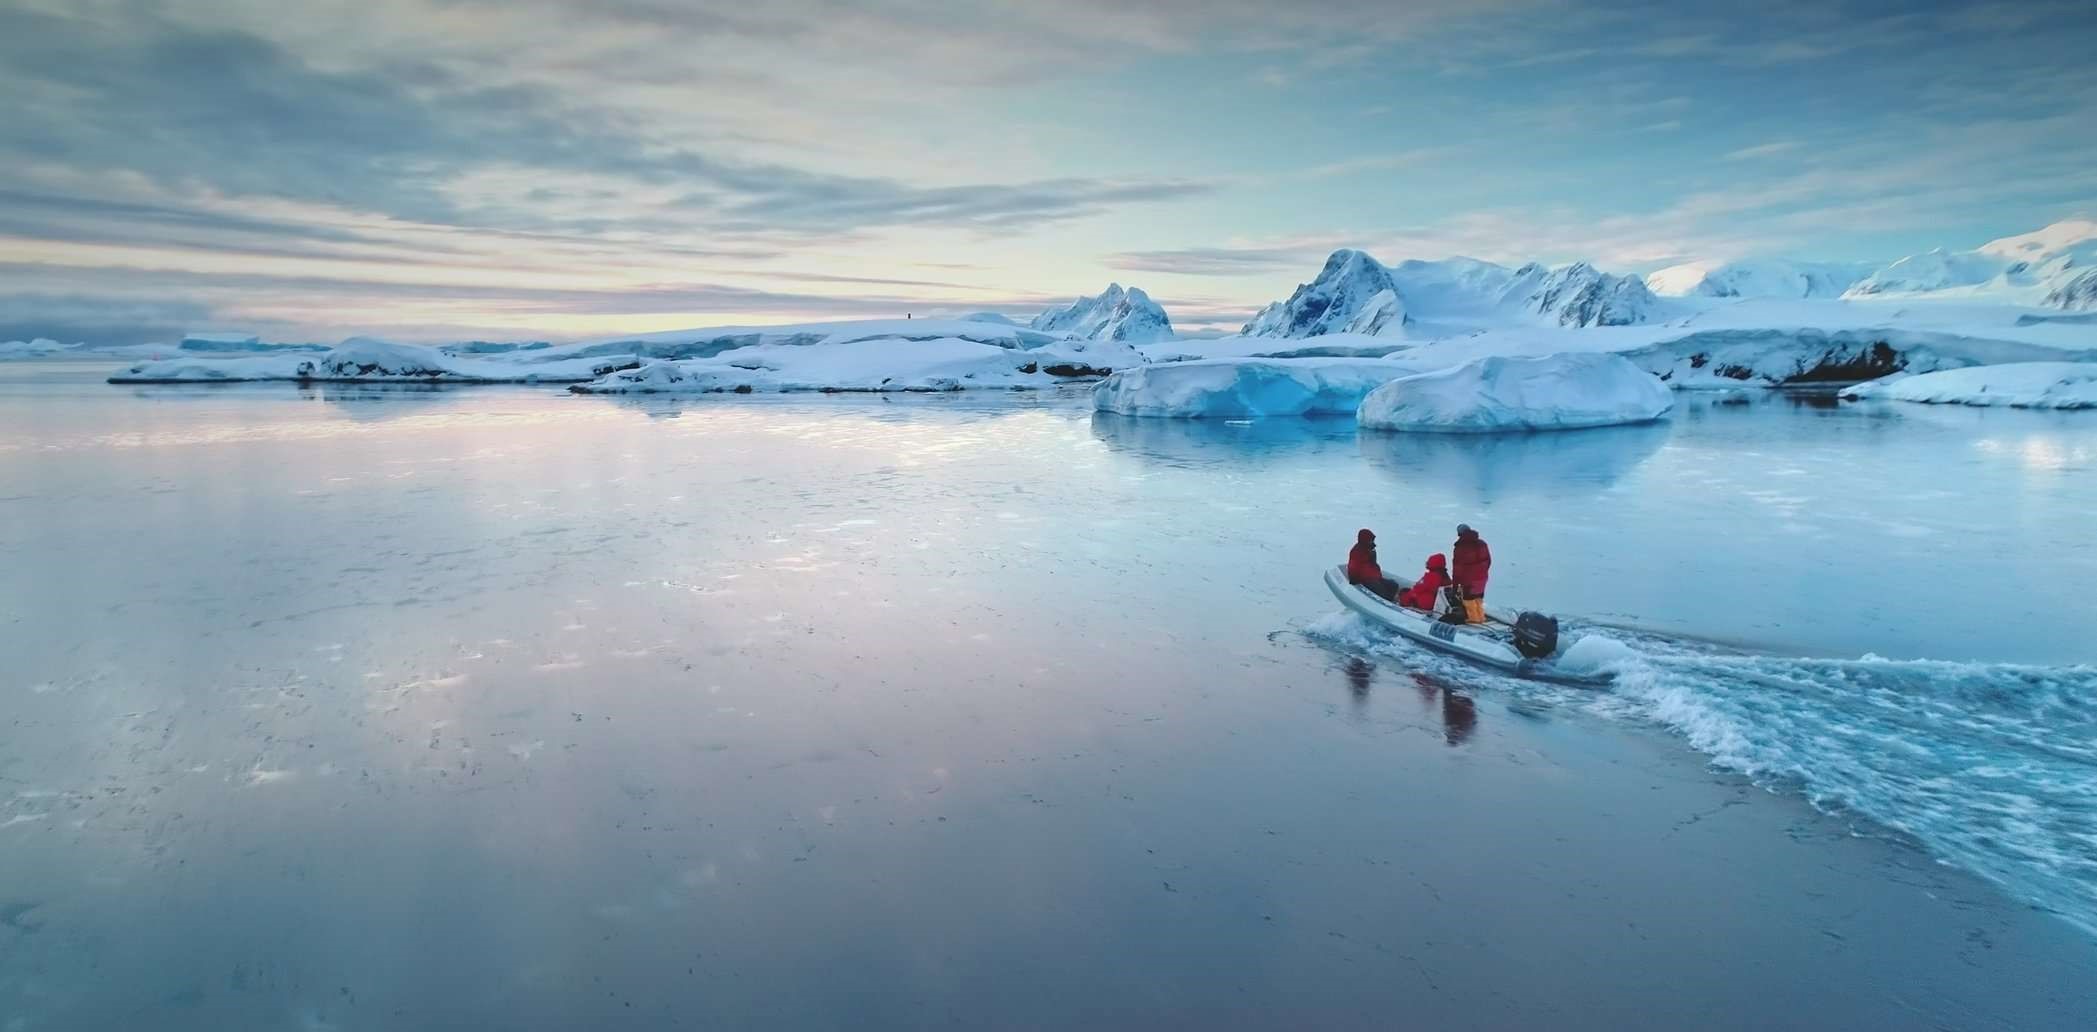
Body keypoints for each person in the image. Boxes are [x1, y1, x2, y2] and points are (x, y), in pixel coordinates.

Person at [1346, 529, 1401, 602]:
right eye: (1370, 540)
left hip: (1375, 577)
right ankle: (1387, 602)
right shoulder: (1357, 551)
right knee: (1382, 592)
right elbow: (1353, 567)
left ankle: (1392, 601)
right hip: (1365, 579)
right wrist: (1354, 580)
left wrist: (1378, 576)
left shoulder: (1371, 550)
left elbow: (1374, 565)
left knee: (1394, 585)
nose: (1372, 542)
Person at [1451, 523, 1491, 622]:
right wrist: (1482, 572)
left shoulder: (1460, 548)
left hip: (1468, 580)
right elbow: (1488, 560)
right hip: (1482, 578)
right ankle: (1481, 618)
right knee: (1478, 598)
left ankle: (1474, 622)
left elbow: (1457, 569)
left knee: (1468, 600)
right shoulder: (1482, 544)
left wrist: (1455, 586)